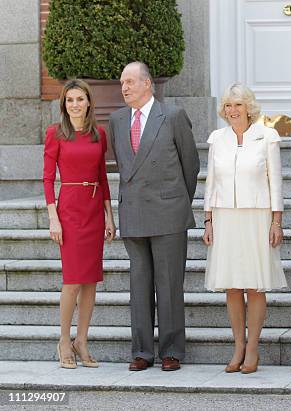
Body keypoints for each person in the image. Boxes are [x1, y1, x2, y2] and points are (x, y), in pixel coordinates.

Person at [107, 61, 200, 372]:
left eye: (131, 81)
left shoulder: (172, 116)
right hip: (133, 213)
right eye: (122, 82)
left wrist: (176, 201)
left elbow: (191, 166)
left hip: (168, 213)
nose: (125, 87)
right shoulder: (118, 120)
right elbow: (123, 165)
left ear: (148, 84)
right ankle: (142, 351)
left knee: (170, 284)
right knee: (140, 284)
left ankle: (172, 350)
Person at [203, 83, 286, 374]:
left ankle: (253, 348)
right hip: (225, 217)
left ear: (249, 107)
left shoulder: (267, 136)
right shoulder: (218, 138)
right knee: (232, 285)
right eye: (228, 105)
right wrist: (208, 219)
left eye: (238, 104)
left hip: (257, 216)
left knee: (254, 284)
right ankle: (238, 344)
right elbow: (211, 182)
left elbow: (275, 182)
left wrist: (277, 221)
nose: (233, 110)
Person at [43, 79, 115, 369]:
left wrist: (110, 214)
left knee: (90, 281)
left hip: (94, 210)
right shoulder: (55, 134)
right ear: (64, 104)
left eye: (79, 99)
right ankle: (63, 340)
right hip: (69, 210)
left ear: (88, 102)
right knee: (72, 280)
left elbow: (103, 177)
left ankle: (82, 340)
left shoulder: (99, 134)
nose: (75, 104)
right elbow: (48, 178)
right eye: (69, 100)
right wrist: (53, 218)